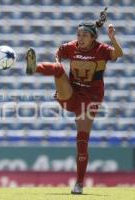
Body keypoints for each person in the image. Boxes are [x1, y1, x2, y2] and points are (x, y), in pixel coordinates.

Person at [26, 11, 123, 194]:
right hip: (71, 94)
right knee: (57, 69)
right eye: (78, 34)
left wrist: (113, 38)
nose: (80, 38)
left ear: (93, 37)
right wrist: (59, 75)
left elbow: (118, 53)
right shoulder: (71, 47)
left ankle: (79, 183)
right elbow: (59, 52)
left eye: (84, 35)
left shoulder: (101, 49)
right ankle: (34, 68)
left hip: (90, 100)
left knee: (82, 142)